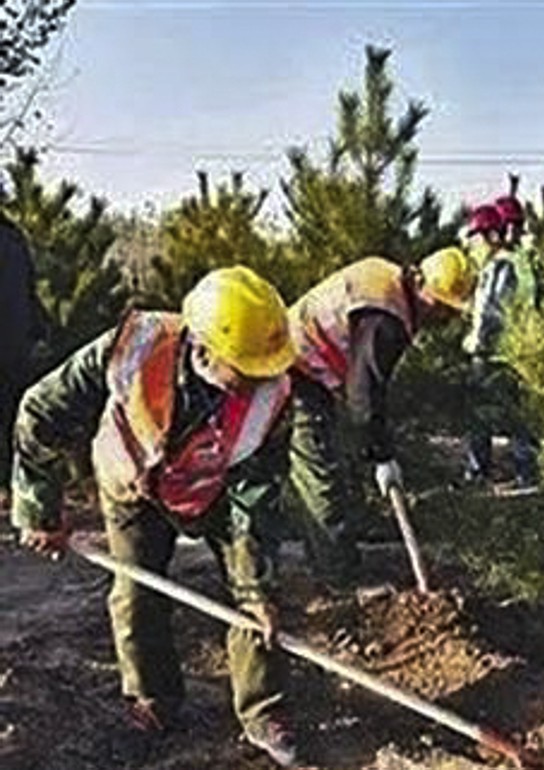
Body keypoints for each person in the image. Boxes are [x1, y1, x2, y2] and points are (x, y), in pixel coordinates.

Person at [10, 266, 302, 766]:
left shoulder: (272, 392)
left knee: (255, 605)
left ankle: (262, 711)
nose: (261, 379)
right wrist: (39, 506)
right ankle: (153, 699)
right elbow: (40, 414)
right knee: (136, 591)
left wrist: (256, 586)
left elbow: (256, 495)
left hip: (215, 492)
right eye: (247, 368)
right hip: (130, 481)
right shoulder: (135, 345)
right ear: (204, 350)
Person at [286, 250, 476, 585]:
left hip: (309, 371)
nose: (445, 319)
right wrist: (382, 456)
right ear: (423, 288)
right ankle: (339, 581)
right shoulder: (385, 317)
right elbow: (365, 393)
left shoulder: (387, 279)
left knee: (331, 466)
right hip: (293, 372)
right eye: (444, 308)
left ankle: (337, 557)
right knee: (321, 478)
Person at [461, 200, 541, 492]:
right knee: (517, 417)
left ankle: (477, 473)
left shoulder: (501, 265)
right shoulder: (521, 260)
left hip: (493, 353)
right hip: (515, 350)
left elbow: (493, 312)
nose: (472, 245)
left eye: (476, 237)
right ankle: (526, 474)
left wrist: (477, 344)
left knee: (479, 415)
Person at [0, 211, 45, 489]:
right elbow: (31, 291)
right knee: (12, 420)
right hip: (17, 345)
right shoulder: (14, 237)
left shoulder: (13, 238)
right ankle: (10, 487)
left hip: (12, 343)